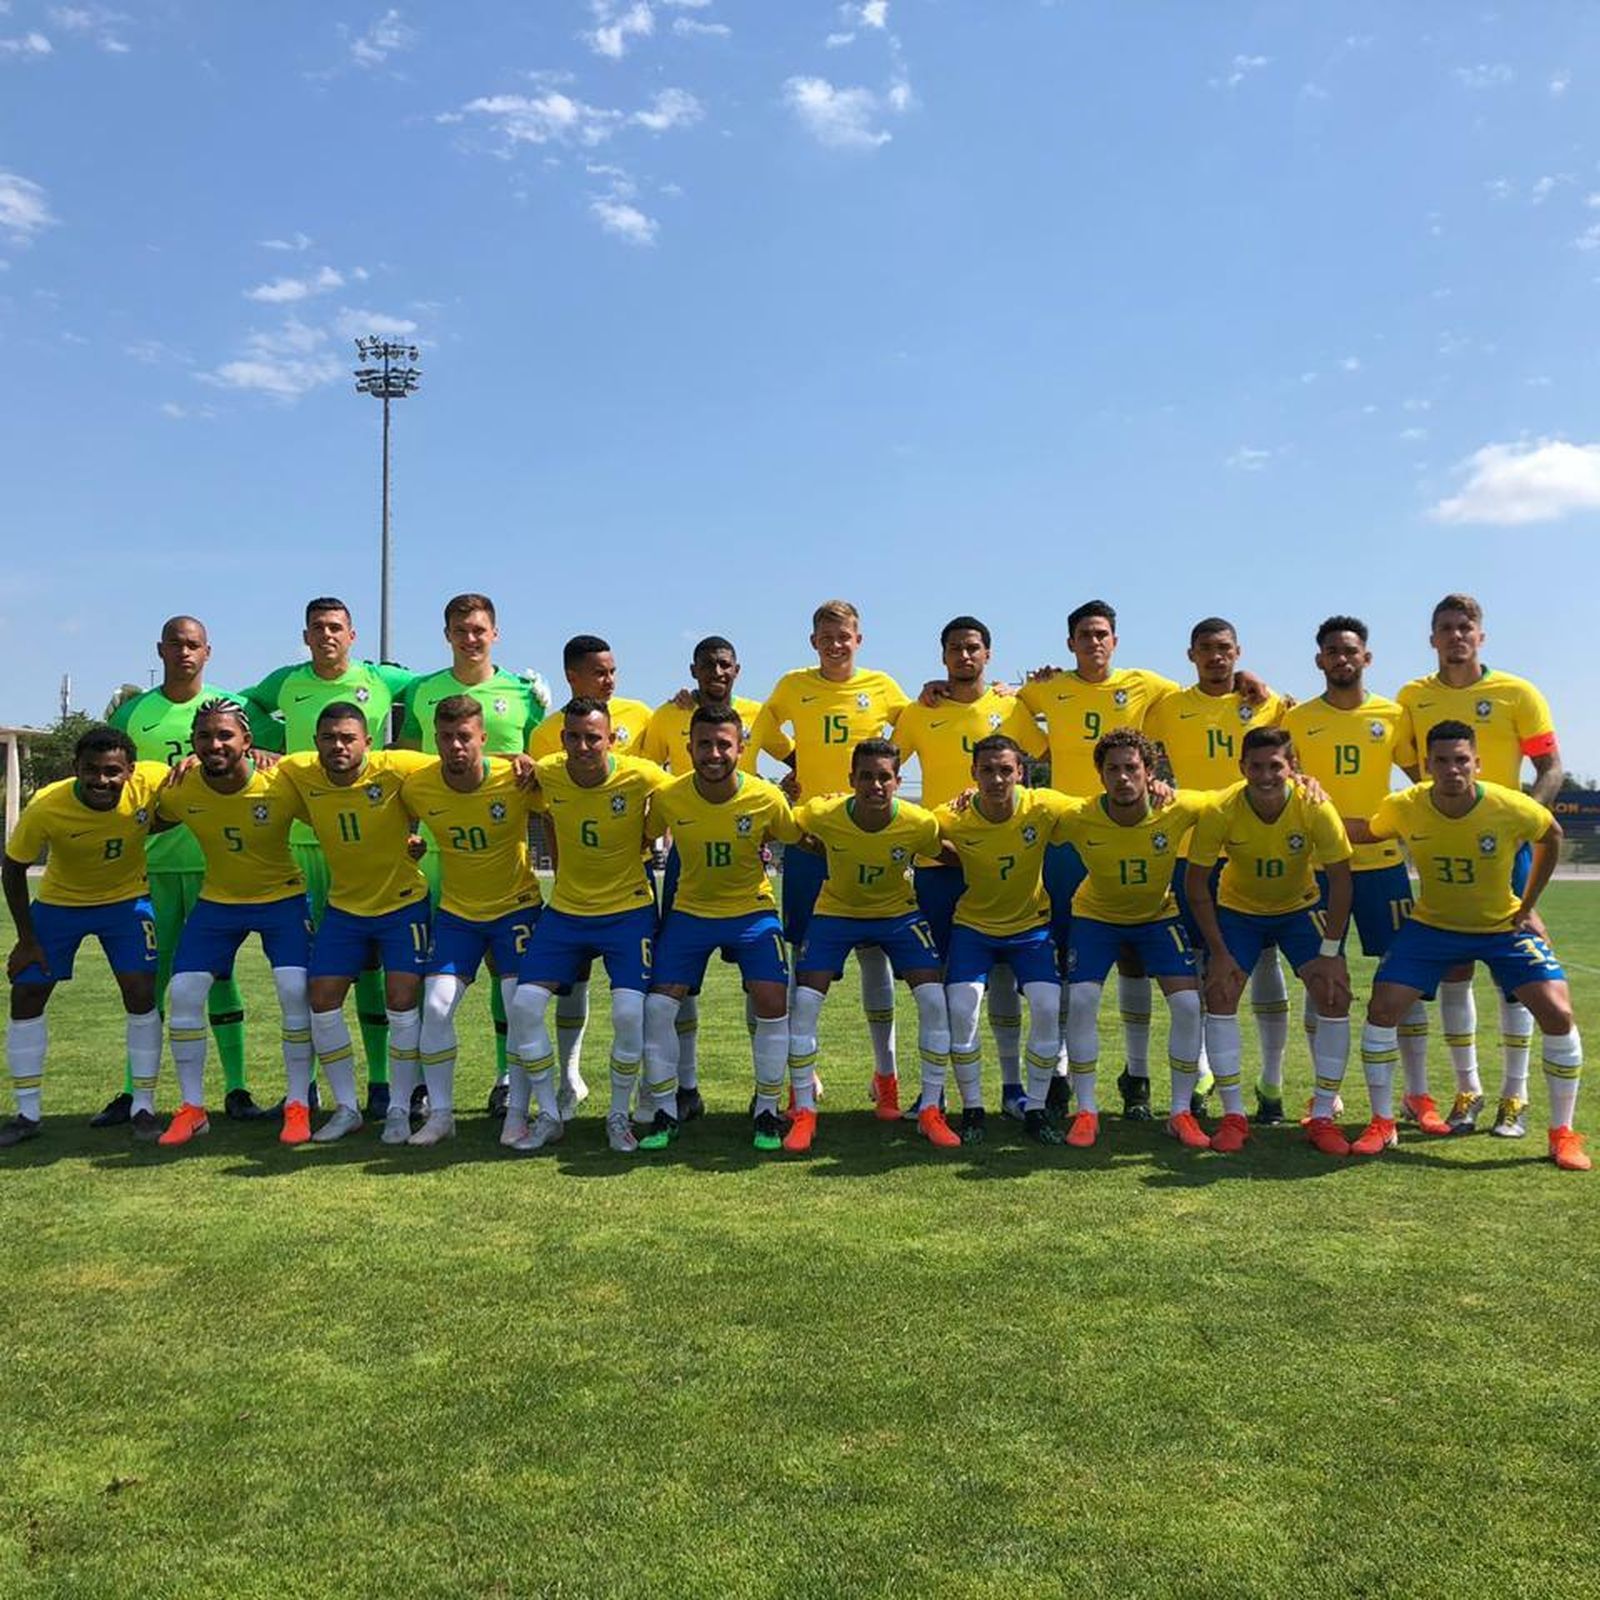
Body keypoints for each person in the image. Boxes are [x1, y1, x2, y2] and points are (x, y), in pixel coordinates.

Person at [1020, 601, 1272, 1117]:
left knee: (1170, 958)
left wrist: (1244, 677)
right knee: (1064, 957)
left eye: (1102, 634)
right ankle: (1061, 1066)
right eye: (1085, 635)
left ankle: (1175, 1072)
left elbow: (1204, 688)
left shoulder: (1147, 686)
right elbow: (1000, 700)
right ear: (1070, 643)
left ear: (1115, 641)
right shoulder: (1046, 688)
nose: (1094, 642)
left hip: (1144, 833)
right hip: (1072, 836)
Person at [1344, 720, 1585, 1170]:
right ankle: (1382, 1123)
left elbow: (1551, 835)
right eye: (1442, 761)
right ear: (1428, 765)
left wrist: (1528, 904)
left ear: (1477, 762)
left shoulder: (1509, 805)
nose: (1452, 769)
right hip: (1432, 928)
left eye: (1461, 760)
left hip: (1501, 928)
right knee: (1382, 1008)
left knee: (1557, 1012)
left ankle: (1563, 1134)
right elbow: (1367, 832)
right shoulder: (1405, 806)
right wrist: (1305, 805)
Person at [1394, 594, 1564, 1138]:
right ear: (1432, 639)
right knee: (1454, 969)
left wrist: (1526, 820)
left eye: (1465, 627)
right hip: (1446, 852)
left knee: (1515, 978)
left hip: (1504, 849)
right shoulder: (1412, 697)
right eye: (1446, 628)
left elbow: (1551, 765)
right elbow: (1410, 764)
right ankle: (1467, 1090)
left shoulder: (1517, 692)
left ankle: (1515, 1096)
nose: (1456, 636)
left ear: (1481, 636)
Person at [238, 598, 416, 1115]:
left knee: (373, 969)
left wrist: (522, 689)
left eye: (336, 627)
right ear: (306, 636)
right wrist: (264, 743)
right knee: (311, 972)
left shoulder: (381, 678)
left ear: (352, 635)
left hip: (368, 843)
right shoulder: (286, 681)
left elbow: (435, 688)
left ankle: (380, 1083)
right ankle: (307, 1087)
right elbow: (236, 703)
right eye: (317, 627)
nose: (327, 635)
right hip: (301, 842)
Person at [101, 615, 266, 1124]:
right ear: (161, 650)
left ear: (208, 651)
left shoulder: (230, 706)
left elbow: (267, 755)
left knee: (221, 976)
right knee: (148, 980)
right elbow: (111, 778)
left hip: (215, 866)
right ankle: (135, 1093)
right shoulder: (133, 712)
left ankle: (237, 1089)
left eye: (194, 644)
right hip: (152, 866)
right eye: (176, 644)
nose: (185, 652)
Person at [749, 601, 912, 1115]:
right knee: (802, 957)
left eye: (845, 636)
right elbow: (762, 729)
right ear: (813, 641)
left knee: (874, 954)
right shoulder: (793, 685)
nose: (836, 644)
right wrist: (795, 761)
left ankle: (886, 1075)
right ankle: (803, 1072)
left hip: (867, 836)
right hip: (811, 839)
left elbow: (915, 727)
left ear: (858, 640)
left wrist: (885, 777)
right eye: (827, 637)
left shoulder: (882, 686)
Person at [395, 593, 549, 1118]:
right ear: (447, 635)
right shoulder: (422, 691)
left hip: (502, 857)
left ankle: (507, 1077)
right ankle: (420, 1085)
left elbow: (536, 767)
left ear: (495, 633)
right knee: (429, 977)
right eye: (460, 630)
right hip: (434, 854)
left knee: (507, 977)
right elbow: (408, 766)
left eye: (479, 629)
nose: (470, 638)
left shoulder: (524, 694)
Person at [896, 617, 1046, 1116]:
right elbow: (887, 769)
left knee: (1001, 977)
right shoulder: (920, 711)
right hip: (939, 861)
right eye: (955, 649)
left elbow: (1053, 751)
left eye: (973, 648)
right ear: (943, 656)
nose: (964, 656)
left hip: (1002, 858)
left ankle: (1011, 1087)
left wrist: (1028, 693)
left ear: (988, 654)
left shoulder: (1010, 707)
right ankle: (934, 1090)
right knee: (940, 981)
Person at [1183, 727, 1356, 1156]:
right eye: (1256, 766)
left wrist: (1331, 953)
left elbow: (1341, 879)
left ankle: (1322, 1115)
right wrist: (1219, 952)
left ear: (1291, 767)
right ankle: (1234, 1115)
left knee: (1333, 993)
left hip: (1299, 909)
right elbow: (1195, 883)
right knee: (1220, 991)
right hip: (1239, 912)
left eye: (1275, 766)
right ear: (1242, 767)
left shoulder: (1315, 806)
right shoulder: (1222, 809)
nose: (1265, 776)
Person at [506, 699, 668, 1154]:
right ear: (562, 740)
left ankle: (618, 1114)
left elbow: (693, 791)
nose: (583, 746)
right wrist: (514, 757)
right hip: (567, 912)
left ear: (611, 739)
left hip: (627, 911)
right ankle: (549, 1114)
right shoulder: (549, 772)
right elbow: (489, 763)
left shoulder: (640, 774)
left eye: (593, 737)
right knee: (524, 1006)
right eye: (574, 737)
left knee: (628, 1013)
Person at [1144, 617, 1291, 1107]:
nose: (1216, 656)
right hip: (1192, 850)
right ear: (1191, 655)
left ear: (1238, 652)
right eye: (1206, 648)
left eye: (1224, 648)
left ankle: (1271, 1080)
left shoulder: (1267, 702)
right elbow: (1132, 745)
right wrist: (1154, 781)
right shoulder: (1169, 706)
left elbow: (1293, 758)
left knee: (1266, 959)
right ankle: (1204, 1069)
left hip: (1255, 850)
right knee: (1201, 960)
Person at [154, 700, 313, 1147]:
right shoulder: (180, 787)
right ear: (192, 742)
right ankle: (192, 1109)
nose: (215, 744)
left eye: (225, 735)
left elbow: (333, 802)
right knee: (184, 993)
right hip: (218, 902)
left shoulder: (280, 781)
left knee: (294, 990)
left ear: (247, 740)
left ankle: (298, 1103)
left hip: (282, 898)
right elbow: (141, 817)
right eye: (204, 736)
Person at [642, 707, 800, 1151]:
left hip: (752, 913)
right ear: (689, 747)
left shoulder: (766, 797)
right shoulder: (669, 797)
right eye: (704, 744)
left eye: (724, 745)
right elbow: (644, 836)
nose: (714, 753)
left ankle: (767, 1110)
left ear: (741, 748)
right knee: (658, 1008)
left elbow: (793, 834)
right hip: (690, 913)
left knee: (772, 999)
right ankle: (665, 1112)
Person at [272, 703, 431, 1144]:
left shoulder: (396, 766)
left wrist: (515, 759)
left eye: (347, 738)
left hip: (403, 904)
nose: (338, 746)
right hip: (345, 908)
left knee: (401, 999)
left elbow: (458, 763)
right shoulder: (299, 771)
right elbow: (253, 765)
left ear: (368, 742)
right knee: (322, 999)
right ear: (316, 743)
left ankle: (399, 1106)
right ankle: (346, 1108)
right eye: (329, 738)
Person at [783, 739, 950, 1154]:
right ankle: (803, 1109)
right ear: (851, 780)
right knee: (805, 1001)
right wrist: (800, 822)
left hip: (897, 914)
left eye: (884, 777)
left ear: (898, 782)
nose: (875, 785)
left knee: (933, 999)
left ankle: (930, 1108)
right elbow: (785, 826)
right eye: (866, 776)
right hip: (836, 912)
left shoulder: (918, 822)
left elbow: (945, 852)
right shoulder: (822, 812)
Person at [1281, 618, 1417, 1124]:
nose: (1342, 658)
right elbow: (1282, 778)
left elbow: (1422, 781)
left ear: (1367, 658)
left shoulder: (1393, 715)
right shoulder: (1297, 718)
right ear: (1319, 660)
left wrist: (1396, 822)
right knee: (1320, 978)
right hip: (1317, 868)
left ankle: (1417, 1094)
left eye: (1350, 650)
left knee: (1404, 977)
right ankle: (1327, 1091)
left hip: (1383, 867)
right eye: (1332, 651)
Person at [2, 728, 167, 1146]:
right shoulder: (48, 805)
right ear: (75, 768)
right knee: (27, 993)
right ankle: (27, 1113)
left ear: (131, 770)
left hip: (126, 902)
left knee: (141, 991)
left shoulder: (152, 779)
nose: (101, 780)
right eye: (90, 770)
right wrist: (26, 939)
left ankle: (143, 1106)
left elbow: (196, 780)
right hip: (60, 904)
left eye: (112, 771)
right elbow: (13, 867)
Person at [640, 635, 774, 1120]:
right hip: (688, 855)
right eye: (707, 665)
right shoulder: (667, 715)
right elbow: (642, 770)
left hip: (745, 854)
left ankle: (771, 1084)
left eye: (724, 665)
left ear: (737, 669)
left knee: (762, 983)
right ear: (693, 670)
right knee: (680, 984)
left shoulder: (761, 713)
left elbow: (798, 757)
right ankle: (685, 1086)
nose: (716, 673)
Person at [1055, 729, 1207, 1148]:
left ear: (1149, 771)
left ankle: (1180, 1112)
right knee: (1081, 1001)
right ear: (1100, 774)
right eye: (1113, 769)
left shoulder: (1177, 807)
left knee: (1188, 1005)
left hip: (1157, 916)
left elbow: (1234, 797)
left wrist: (1299, 781)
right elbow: (1023, 802)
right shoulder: (1078, 814)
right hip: (1096, 917)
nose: (1122, 777)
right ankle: (1086, 1110)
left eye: (1131, 768)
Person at [526, 635, 654, 1121]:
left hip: (631, 876)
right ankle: (569, 1078)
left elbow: (664, 780)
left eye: (613, 671)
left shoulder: (640, 714)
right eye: (600, 672)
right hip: (574, 887)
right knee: (571, 984)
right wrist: (561, 869)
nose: (610, 680)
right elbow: (548, 808)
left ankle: (650, 1088)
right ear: (572, 676)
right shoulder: (545, 735)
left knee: (641, 995)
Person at [933, 735, 1070, 1146]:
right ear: (973, 774)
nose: (996, 779)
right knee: (962, 1008)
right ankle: (973, 1109)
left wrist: (1156, 787)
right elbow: (909, 828)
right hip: (973, 929)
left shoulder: (1042, 805)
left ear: (1021, 773)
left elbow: (1100, 808)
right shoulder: (952, 815)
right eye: (987, 770)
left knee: (1048, 1005)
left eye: (1005, 770)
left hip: (1030, 929)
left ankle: (1036, 1107)